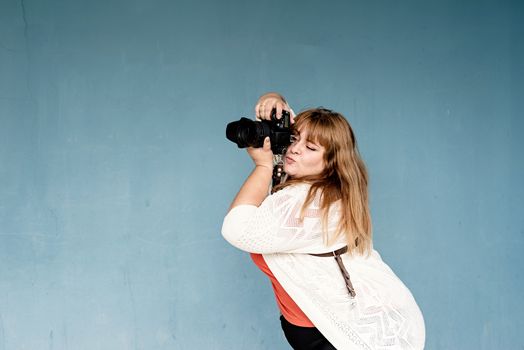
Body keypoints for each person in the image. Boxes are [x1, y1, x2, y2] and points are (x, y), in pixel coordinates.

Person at [222, 92, 425, 350]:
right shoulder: (316, 188)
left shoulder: (310, 202)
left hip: (355, 335)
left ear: (331, 163)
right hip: (335, 331)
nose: (295, 148)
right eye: (294, 139)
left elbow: (235, 227)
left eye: (310, 148)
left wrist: (262, 167)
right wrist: (278, 102)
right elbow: (290, 158)